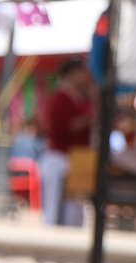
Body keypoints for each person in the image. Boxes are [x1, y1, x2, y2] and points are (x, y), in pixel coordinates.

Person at [39, 58, 96, 226]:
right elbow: (58, 128)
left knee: (75, 210)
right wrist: (87, 119)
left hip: (79, 158)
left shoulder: (84, 97)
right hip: (60, 156)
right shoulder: (60, 97)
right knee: (55, 209)